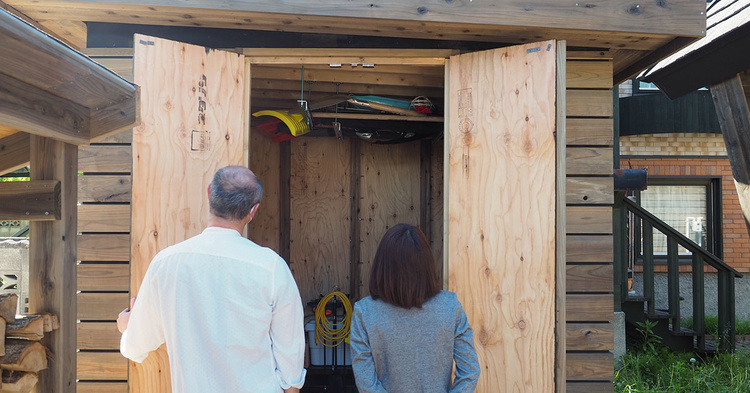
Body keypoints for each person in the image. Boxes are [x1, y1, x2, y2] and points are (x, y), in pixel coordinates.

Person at [117, 165, 306, 393]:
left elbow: (137, 345)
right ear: (253, 211)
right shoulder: (272, 268)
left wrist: (127, 327)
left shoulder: (166, 263)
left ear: (209, 193)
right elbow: (291, 365)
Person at [349, 223, 480, 393]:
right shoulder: (450, 306)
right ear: (426, 266)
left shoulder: (364, 312)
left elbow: (367, 384)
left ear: (382, 266)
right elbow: (470, 371)